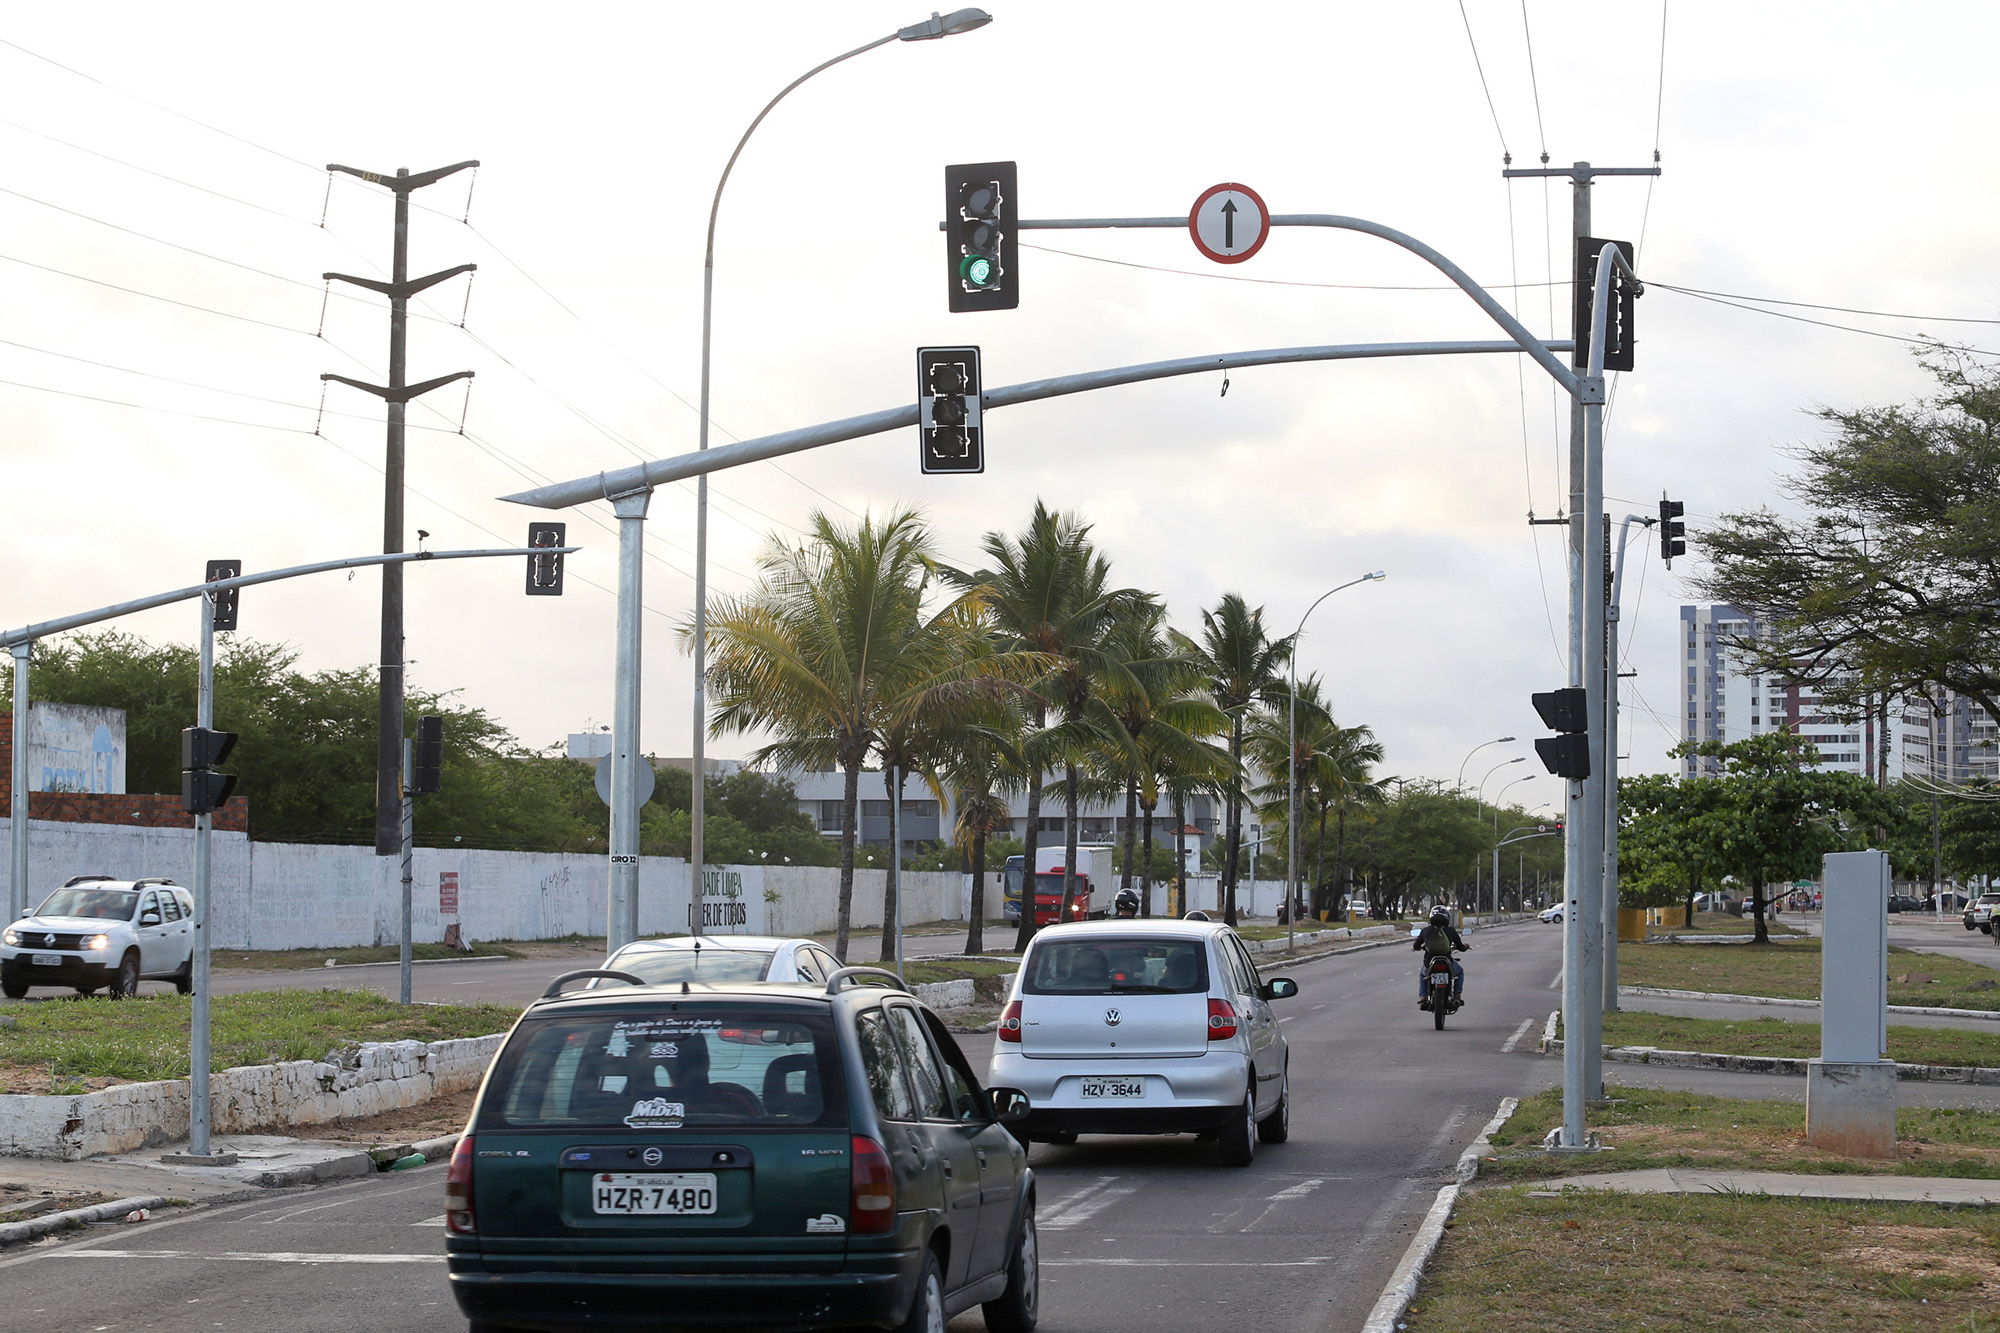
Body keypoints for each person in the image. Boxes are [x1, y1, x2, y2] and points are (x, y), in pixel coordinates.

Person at [1412, 906, 1467, 1008]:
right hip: (1447, 961)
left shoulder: (1426, 930)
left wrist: (1418, 947)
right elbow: (1460, 947)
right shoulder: (1450, 931)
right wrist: (1465, 947)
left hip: (1429, 962)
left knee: (1423, 975)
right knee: (1460, 972)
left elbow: (1416, 945)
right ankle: (1457, 995)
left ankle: (1423, 997)